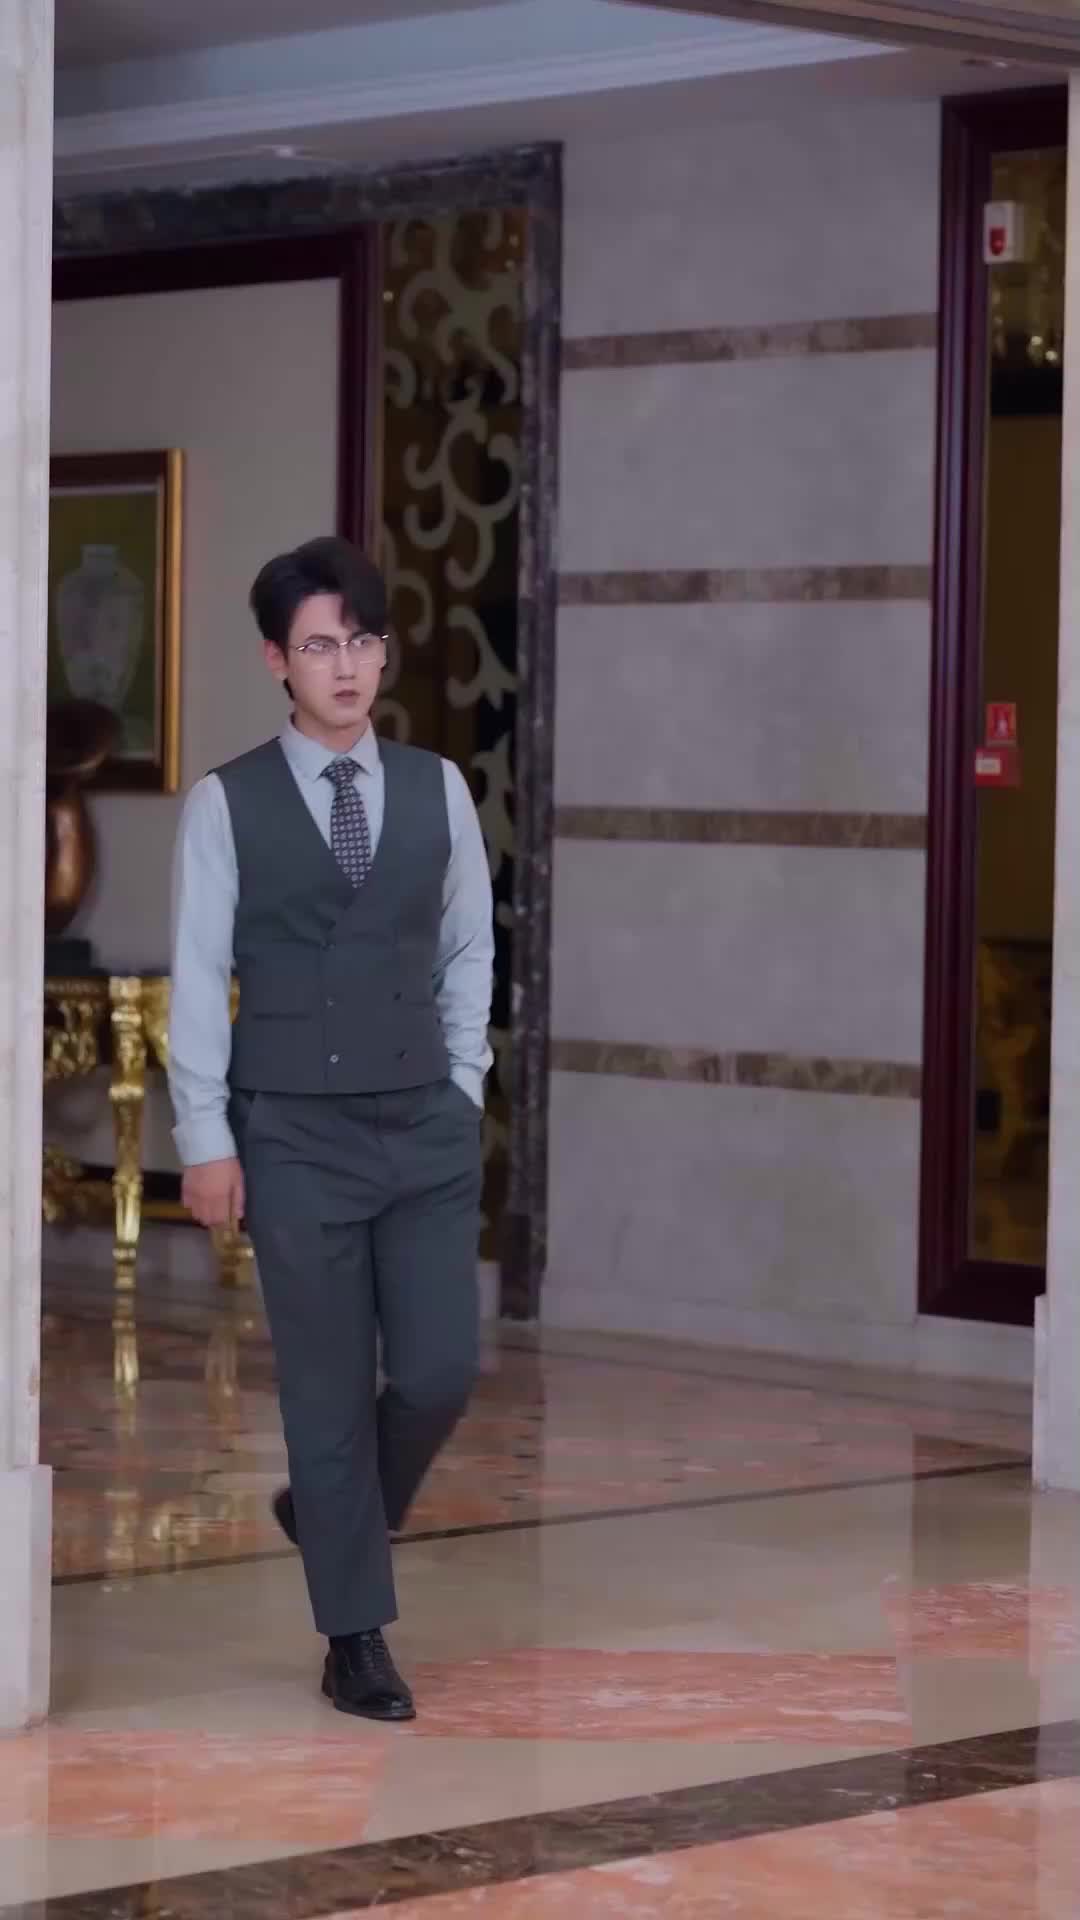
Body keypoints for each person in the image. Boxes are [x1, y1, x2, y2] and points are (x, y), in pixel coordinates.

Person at [167, 536, 494, 1723]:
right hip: (294, 1133)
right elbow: (197, 974)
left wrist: (465, 1082)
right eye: (319, 646)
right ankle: (355, 1637)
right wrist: (205, 1138)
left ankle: (328, 1512)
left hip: (424, 1124)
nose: (345, 666)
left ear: (383, 653)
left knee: (441, 1370)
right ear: (277, 661)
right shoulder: (228, 802)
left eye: (361, 642)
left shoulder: (438, 788)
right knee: (325, 1388)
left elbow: (469, 945)